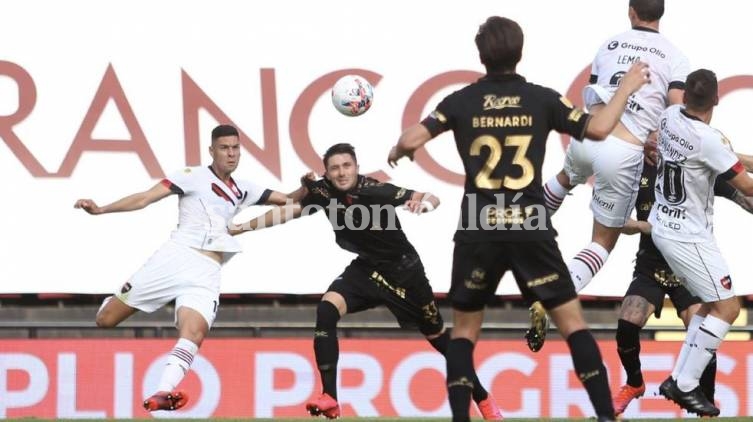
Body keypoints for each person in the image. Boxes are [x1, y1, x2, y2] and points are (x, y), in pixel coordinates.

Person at [387, 16, 649, 422]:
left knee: (465, 333)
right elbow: (598, 128)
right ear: (520, 52)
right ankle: (604, 416)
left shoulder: (459, 102)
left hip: (478, 224)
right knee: (573, 325)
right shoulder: (543, 99)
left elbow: (411, 139)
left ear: (481, 55)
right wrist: (627, 88)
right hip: (529, 224)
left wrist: (400, 149)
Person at [233, 143, 503, 420]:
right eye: (335, 168)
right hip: (366, 269)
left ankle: (483, 398)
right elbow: (287, 211)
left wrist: (423, 204)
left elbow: (431, 196)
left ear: (357, 168)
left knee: (439, 340)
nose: (341, 173)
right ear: (326, 172)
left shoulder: (375, 190)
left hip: (404, 274)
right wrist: (241, 227)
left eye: (346, 166)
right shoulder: (322, 191)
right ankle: (330, 398)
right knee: (327, 309)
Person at [74, 124, 304, 412]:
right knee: (106, 320)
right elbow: (145, 198)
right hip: (176, 257)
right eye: (224, 148)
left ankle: (163, 391)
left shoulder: (244, 189)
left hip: (207, 270)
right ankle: (118, 298)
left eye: (235, 148)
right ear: (212, 150)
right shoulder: (191, 177)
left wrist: (308, 185)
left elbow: (290, 200)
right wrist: (101, 209)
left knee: (194, 333)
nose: (231, 154)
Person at [527, 0, 692, 352]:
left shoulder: (610, 44)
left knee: (563, 179)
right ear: (661, 13)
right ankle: (552, 297)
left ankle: (517, 230)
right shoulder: (676, 55)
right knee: (602, 241)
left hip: (590, 135)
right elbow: (677, 107)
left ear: (631, 11)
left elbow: (597, 90)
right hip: (624, 150)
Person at [611, 152, 753, 415]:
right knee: (627, 322)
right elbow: (614, 217)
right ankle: (634, 382)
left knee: (704, 330)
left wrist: (644, 227)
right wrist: (629, 224)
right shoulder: (634, 172)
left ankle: (704, 405)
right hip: (651, 266)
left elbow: (746, 198)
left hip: (689, 268)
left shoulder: (699, 169)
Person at [649, 69, 753, 416]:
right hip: (688, 235)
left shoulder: (668, 118)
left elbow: (726, 156)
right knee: (728, 308)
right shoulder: (709, 140)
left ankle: (677, 377)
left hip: (664, 224)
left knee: (710, 305)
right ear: (716, 100)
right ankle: (686, 384)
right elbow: (746, 185)